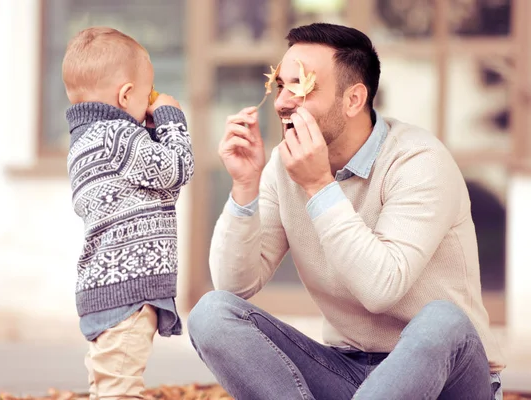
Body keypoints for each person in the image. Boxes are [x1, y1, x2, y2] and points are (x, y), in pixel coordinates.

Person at [187, 22, 505, 400]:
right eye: (281, 84)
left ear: (354, 99)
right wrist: (245, 186)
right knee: (212, 313)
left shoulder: (420, 161)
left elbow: (380, 288)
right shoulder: (281, 168)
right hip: (347, 372)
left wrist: (320, 187)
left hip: (448, 378)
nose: (283, 102)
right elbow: (235, 284)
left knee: (444, 321)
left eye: (302, 86)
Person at [62, 27, 194, 399]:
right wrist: (170, 119)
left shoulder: (88, 141)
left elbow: (148, 188)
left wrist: (148, 133)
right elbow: (177, 169)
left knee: (110, 383)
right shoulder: (118, 137)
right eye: (147, 93)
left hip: (107, 288)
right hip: (128, 291)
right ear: (125, 95)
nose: (150, 103)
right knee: (119, 389)